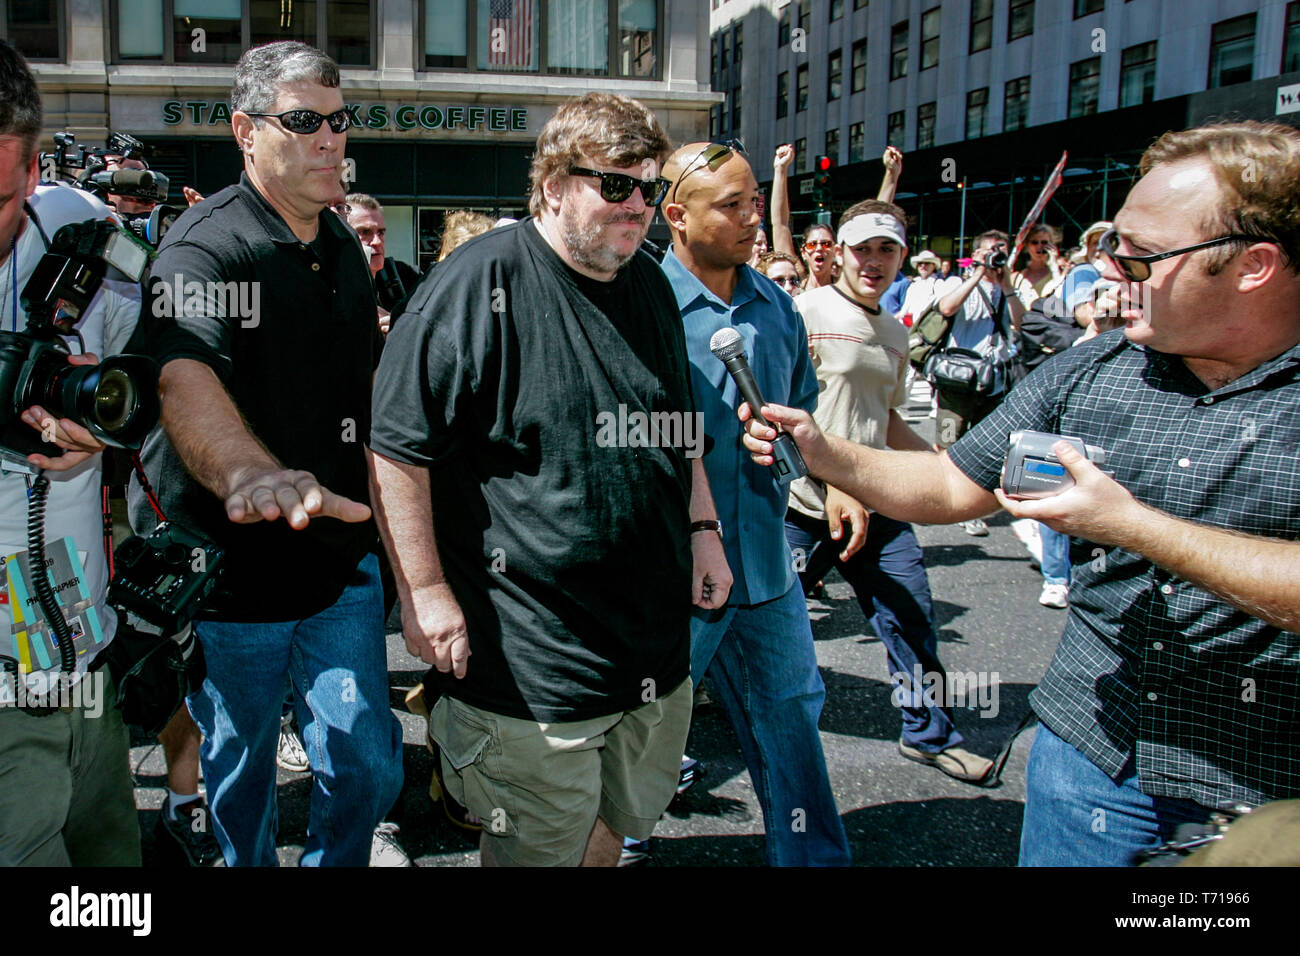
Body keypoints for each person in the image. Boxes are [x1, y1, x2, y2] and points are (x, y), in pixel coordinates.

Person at [739, 119, 1300, 866]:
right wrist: (821, 450)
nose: (1106, 276)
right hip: (1092, 758)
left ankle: (929, 729)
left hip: (1267, 784)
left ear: (1254, 265)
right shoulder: (1091, 367)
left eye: (1139, 259)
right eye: (1109, 252)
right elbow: (949, 481)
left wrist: (1133, 526)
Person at [368, 92, 731, 868]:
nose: (638, 206)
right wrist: (423, 590)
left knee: (617, 825)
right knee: (540, 848)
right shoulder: (475, 286)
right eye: (616, 185)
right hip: (531, 661)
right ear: (554, 184)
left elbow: (681, 425)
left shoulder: (651, 284)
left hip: (651, 650)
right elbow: (397, 448)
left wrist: (705, 532)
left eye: (649, 188)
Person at [127, 40, 404, 867]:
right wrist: (248, 470)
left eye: (339, 121)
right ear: (246, 130)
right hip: (232, 576)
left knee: (364, 759)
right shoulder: (201, 248)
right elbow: (181, 372)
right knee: (241, 774)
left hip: (337, 563)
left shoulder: (347, 248)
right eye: (303, 122)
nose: (331, 140)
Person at [658, 140, 851, 866]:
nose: (753, 222)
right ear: (677, 215)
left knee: (792, 715)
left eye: (753, 201)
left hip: (768, 565)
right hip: (677, 571)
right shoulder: (642, 306)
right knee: (644, 726)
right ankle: (609, 840)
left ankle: (811, 858)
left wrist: (832, 484)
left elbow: (802, 407)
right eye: (730, 206)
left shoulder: (776, 306)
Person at [786, 200, 994, 784]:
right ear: (839, 253)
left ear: (902, 256)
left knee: (910, 614)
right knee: (745, 623)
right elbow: (779, 409)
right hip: (801, 507)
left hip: (876, 504)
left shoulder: (893, 332)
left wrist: (941, 465)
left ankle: (929, 734)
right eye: (862, 249)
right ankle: (670, 729)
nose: (873, 262)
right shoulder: (803, 311)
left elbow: (887, 416)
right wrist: (830, 483)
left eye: (887, 249)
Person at [0, 39, 142, 866]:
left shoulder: (78, 229)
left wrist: (105, 415)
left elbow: (156, 362)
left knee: (112, 885)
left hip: (82, 657)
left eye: (4, 195)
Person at [931, 229, 1026, 535]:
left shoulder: (1009, 288)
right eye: (990, 251)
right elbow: (946, 308)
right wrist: (978, 273)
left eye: (1002, 250)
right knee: (948, 441)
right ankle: (944, 499)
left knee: (987, 444)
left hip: (994, 381)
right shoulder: (958, 282)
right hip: (958, 381)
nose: (996, 255)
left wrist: (1007, 284)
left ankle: (971, 503)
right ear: (975, 254)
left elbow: (1023, 323)